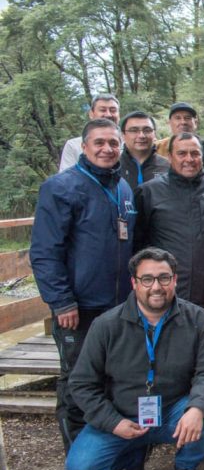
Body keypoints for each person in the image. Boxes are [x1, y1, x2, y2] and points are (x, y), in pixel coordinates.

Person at [65, 248, 204, 470]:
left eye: (164, 278)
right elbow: (82, 384)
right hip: (122, 412)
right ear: (134, 283)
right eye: (147, 279)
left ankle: (185, 466)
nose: (156, 287)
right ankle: (134, 457)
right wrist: (112, 422)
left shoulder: (197, 319)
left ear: (175, 280)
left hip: (175, 408)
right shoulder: (106, 325)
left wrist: (196, 408)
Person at [31, 118, 137, 451]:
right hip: (80, 305)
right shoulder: (61, 187)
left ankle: (109, 437)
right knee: (77, 376)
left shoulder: (122, 187)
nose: (107, 149)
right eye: (99, 143)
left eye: (113, 143)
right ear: (85, 146)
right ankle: (76, 444)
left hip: (119, 303)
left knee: (113, 372)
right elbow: (45, 251)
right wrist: (61, 301)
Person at [134, 133, 204, 309]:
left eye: (195, 153)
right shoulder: (148, 193)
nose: (189, 159)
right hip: (162, 296)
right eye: (182, 153)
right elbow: (138, 243)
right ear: (170, 156)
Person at [58, 94, 120, 172]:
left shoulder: (128, 143)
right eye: (102, 110)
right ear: (91, 114)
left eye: (113, 110)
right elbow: (65, 179)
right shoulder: (73, 145)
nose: (108, 114)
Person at [118, 111, 170, 190]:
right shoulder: (114, 167)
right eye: (134, 130)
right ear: (123, 135)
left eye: (147, 130)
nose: (141, 135)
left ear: (154, 133)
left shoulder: (168, 167)